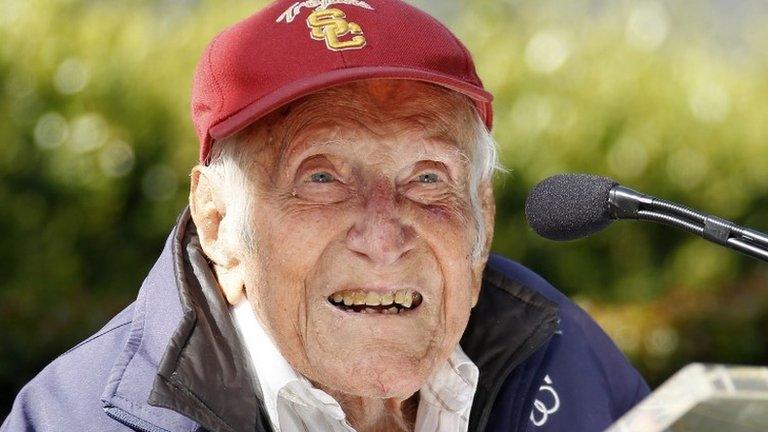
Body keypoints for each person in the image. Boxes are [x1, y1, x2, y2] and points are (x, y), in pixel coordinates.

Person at [2, 1, 649, 431]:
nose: (382, 234)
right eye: (321, 178)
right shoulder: (83, 418)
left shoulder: (562, 352)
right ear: (218, 223)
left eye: (428, 179)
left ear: (480, 218)